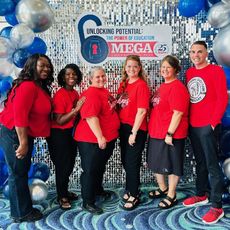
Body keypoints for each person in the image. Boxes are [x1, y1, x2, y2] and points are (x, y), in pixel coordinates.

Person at [0, 54, 54, 223]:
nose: (46, 69)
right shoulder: (28, 86)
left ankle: (22, 209)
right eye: (41, 66)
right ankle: (21, 214)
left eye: (48, 66)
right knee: (17, 174)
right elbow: (20, 116)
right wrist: (23, 143)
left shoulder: (37, 86)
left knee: (20, 172)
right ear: (32, 66)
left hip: (21, 132)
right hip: (15, 133)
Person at [183, 41, 228, 224]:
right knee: (199, 162)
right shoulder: (189, 72)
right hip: (193, 125)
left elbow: (222, 97)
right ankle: (201, 195)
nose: (196, 55)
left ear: (206, 53)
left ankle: (217, 207)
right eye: (193, 52)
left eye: (199, 52)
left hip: (207, 125)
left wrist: (213, 122)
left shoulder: (216, 71)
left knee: (211, 165)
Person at [73, 66, 120, 215]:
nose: (101, 79)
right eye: (97, 77)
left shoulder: (104, 91)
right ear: (90, 79)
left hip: (106, 137)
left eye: (102, 76)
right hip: (91, 140)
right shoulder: (91, 94)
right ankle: (88, 202)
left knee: (99, 167)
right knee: (90, 170)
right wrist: (100, 137)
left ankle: (98, 190)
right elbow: (91, 117)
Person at [147, 55, 189, 209]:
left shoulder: (178, 87)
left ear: (176, 70)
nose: (164, 70)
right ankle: (163, 188)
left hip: (171, 134)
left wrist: (169, 133)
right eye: (163, 67)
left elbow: (178, 113)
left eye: (168, 67)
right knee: (156, 163)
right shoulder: (162, 86)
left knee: (173, 165)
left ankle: (171, 194)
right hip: (156, 132)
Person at [48, 64, 85, 210]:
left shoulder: (75, 93)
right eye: (68, 74)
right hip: (59, 134)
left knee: (69, 165)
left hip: (70, 133)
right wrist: (76, 110)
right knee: (63, 166)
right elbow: (60, 120)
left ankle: (64, 191)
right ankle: (61, 196)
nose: (71, 77)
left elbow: (76, 115)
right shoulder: (60, 94)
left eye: (74, 74)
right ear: (63, 77)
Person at [116, 55, 150, 210]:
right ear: (125, 68)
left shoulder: (141, 85)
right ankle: (130, 187)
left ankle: (134, 194)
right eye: (129, 66)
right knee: (125, 160)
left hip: (135, 129)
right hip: (123, 128)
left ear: (139, 68)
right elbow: (119, 105)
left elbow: (142, 111)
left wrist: (134, 133)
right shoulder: (124, 84)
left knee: (132, 162)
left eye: (135, 66)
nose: (131, 69)